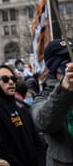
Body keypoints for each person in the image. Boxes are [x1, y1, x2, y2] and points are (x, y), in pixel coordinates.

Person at [0, 65, 46, 166]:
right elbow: (0, 150)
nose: (11, 82)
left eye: (13, 79)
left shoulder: (21, 106)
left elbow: (38, 142)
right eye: (5, 79)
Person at [31, 38, 73, 166]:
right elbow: (44, 123)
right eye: (66, 61)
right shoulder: (43, 96)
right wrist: (64, 90)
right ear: (56, 67)